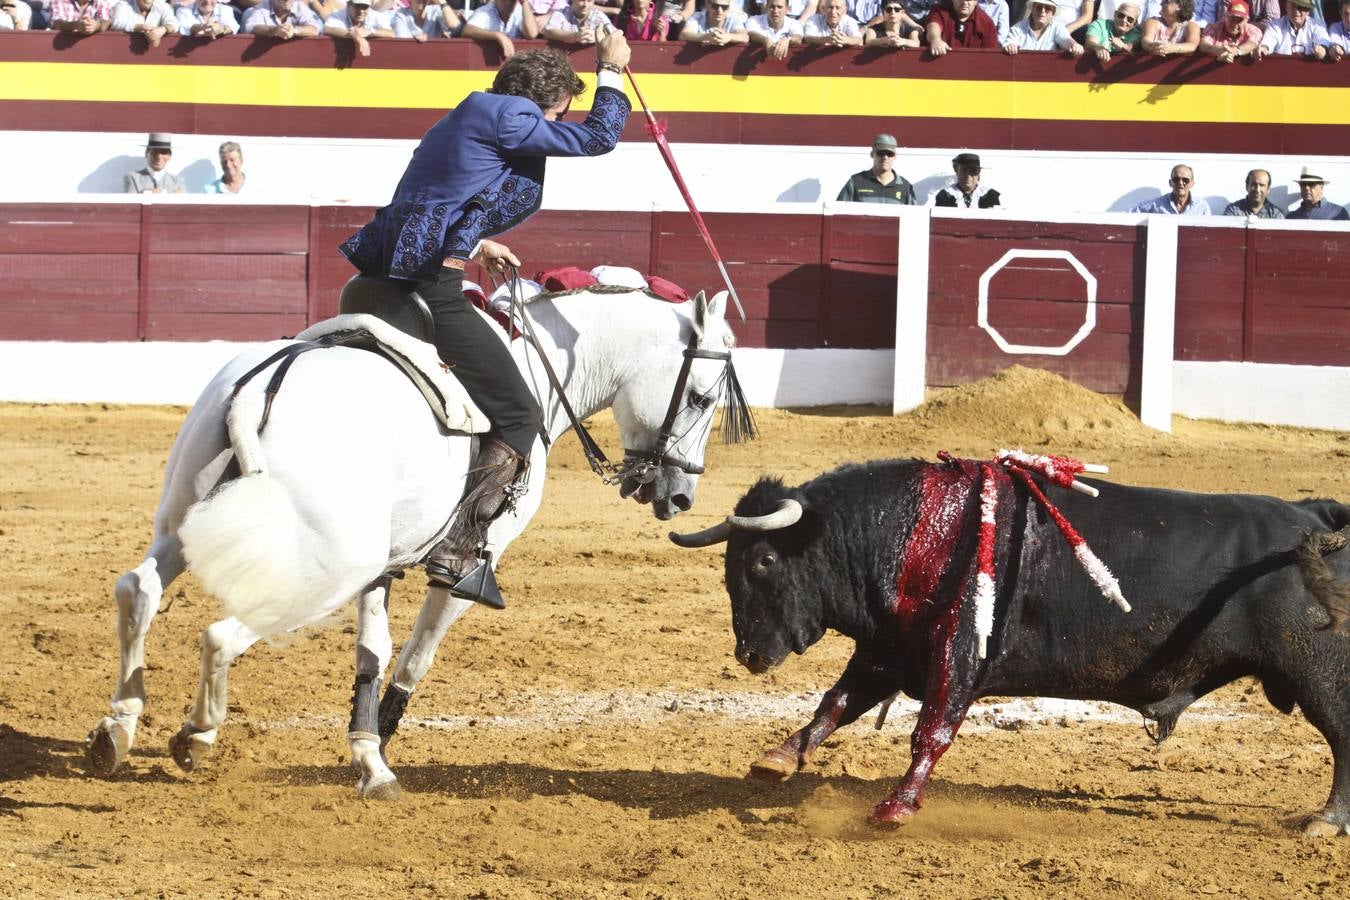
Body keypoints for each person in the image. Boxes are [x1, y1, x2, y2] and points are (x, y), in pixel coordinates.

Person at [338, 39, 633, 606]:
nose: (552, 127)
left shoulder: (466, 114)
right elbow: (599, 138)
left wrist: (478, 241)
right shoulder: (513, 114)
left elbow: (441, 198)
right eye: (556, 116)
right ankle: (458, 548)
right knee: (521, 414)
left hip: (376, 280)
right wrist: (611, 70)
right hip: (428, 286)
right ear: (540, 102)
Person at [836, 134, 916, 204]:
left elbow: (912, 218)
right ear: (872, 154)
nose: (885, 157)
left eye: (889, 154)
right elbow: (839, 214)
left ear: (895, 156)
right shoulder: (855, 182)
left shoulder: (905, 187)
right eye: (880, 153)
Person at [462, 0, 540, 57]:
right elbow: (467, 30)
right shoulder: (485, 11)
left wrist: (525, 2)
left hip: (517, 67)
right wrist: (497, 36)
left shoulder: (521, 12)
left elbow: (532, 34)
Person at [1003, 0, 1085, 53]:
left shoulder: (1057, 27)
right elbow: (1009, 42)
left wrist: (1074, 45)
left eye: (1047, 9)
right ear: (1032, 10)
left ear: (1052, 13)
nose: (1042, 11)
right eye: (1039, 7)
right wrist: (1010, 46)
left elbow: (1066, 40)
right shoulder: (1018, 27)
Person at [1256, 0, 1328, 57]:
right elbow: (1269, 41)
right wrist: (1264, 48)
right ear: (1286, 7)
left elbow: (1322, 40)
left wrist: (1322, 49)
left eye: (1301, 7)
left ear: (1308, 11)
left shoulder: (1318, 25)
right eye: (1293, 6)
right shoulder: (1275, 25)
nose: (1296, 11)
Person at [1130, 163, 1210, 215]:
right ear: (1170, 183)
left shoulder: (1202, 206)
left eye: (1185, 180)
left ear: (1192, 184)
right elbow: (1128, 214)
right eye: (1176, 179)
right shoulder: (1157, 204)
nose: (1181, 183)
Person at [925, 0, 1000, 54]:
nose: (964, 3)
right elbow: (933, 26)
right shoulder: (939, 11)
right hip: (940, 66)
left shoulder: (986, 23)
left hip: (972, 70)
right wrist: (936, 40)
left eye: (969, 0)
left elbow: (990, 55)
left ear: (976, 1)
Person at [931, 152, 1002, 209]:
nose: (968, 175)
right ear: (957, 171)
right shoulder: (945, 196)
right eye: (964, 170)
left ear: (978, 173)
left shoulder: (991, 196)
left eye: (973, 171)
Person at [324, 0, 394, 56]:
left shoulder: (377, 16)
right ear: (348, 5)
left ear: (369, 7)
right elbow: (327, 29)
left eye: (365, 7)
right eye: (357, 6)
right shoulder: (337, 15)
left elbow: (391, 33)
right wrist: (354, 35)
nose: (361, 11)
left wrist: (370, 32)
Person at [679, 0, 750, 43]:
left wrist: (729, 37)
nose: (720, 10)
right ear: (707, 4)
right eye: (715, 6)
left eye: (724, 7)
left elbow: (745, 37)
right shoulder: (697, 17)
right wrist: (706, 37)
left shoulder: (733, 18)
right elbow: (683, 35)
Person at [541, 0, 611, 42]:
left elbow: (614, 35)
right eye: (581, 0)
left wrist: (597, 36)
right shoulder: (560, 13)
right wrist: (575, 36)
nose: (585, 5)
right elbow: (548, 31)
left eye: (589, 1)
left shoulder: (598, 16)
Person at [242, 0, 322, 36]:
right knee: (247, 13)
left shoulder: (300, 7)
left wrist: (294, 30)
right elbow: (253, 27)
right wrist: (274, 30)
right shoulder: (261, 8)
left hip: (295, 58)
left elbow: (314, 29)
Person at [111, 0, 176, 44]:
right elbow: (116, 23)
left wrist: (162, 30)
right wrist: (139, 27)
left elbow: (174, 24)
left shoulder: (162, 6)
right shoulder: (123, 4)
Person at [391, 0, 462, 40]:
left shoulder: (435, 10)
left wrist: (442, 3)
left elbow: (455, 26)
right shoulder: (401, 14)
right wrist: (415, 39)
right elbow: (401, 42)